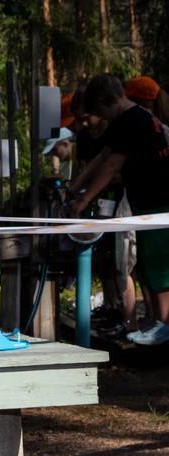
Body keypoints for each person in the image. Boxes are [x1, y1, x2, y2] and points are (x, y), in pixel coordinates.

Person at [71, 74, 169, 346]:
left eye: (99, 111)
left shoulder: (132, 121)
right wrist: (76, 184)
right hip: (143, 205)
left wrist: (83, 200)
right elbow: (102, 157)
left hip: (158, 204)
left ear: (108, 101)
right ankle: (156, 323)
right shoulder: (126, 120)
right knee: (147, 265)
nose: (100, 118)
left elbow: (112, 166)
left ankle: (164, 325)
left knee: (159, 267)